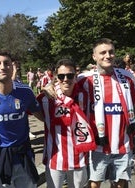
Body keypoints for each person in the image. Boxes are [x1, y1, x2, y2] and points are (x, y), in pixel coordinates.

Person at [77, 38, 135, 188]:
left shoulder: (127, 77)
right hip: (98, 146)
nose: (108, 55)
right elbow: (63, 85)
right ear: (94, 56)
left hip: (123, 143)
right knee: (94, 184)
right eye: (103, 52)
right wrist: (49, 86)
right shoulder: (84, 79)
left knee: (121, 184)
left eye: (111, 52)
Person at [0, 49, 44, 188]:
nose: (2, 67)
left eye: (6, 63)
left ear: (12, 67)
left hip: (23, 156)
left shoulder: (25, 91)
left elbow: (43, 116)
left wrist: (49, 92)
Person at [37, 59, 96, 188]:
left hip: (79, 156)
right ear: (56, 77)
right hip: (54, 158)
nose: (65, 79)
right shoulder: (46, 97)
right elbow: (29, 108)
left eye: (70, 75)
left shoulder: (85, 96)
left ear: (75, 76)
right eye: (61, 76)